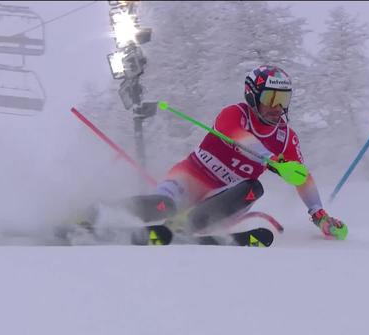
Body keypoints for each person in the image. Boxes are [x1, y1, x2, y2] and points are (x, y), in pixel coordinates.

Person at [117, 65, 347, 241]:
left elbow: (303, 177)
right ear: (252, 96)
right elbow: (241, 139)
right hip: (190, 179)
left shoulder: (286, 138)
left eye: (283, 99)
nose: (277, 108)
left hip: (226, 199)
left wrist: (319, 215)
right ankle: (105, 213)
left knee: (253, 188)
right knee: (163, 204)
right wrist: (274, 162)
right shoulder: (234, 114)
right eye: (270, 99)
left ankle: (185, 225)